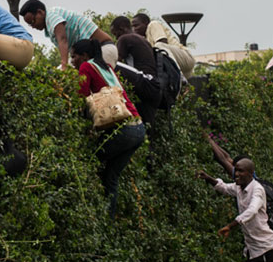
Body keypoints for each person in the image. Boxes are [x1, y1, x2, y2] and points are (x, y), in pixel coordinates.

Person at [71, 38, 146, 215]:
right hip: (138, 128)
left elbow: (80, 97)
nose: (72, 61)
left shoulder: (86, 67)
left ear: (84, 55)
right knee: (111, 177)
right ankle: (109, 219)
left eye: (74, 56)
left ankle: (92, 215)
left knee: (88, 162)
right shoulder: (106, 68)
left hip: (124, 131)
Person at [19, 0, 115, 69]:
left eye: (32, 21)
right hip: (91, 55)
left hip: (104, 50)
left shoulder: (51, 16)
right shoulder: (50, 23)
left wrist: (64, 66)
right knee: (58, 73)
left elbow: (63, 39)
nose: (33, 26)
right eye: (29, 25)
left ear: (40, 12)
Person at [109, 16, 162, 127]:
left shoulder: (125, 38)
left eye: (116, 34)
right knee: (146, 123)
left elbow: (115, 60)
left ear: (122, 28)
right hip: (154, 86)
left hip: (144, 81)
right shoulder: (143, 40)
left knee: (110, 64)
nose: (116, 37)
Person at [132, 13, 195, 79]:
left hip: (186, 57)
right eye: (132, 27)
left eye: (136, 26)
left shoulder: (153, 24)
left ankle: (178, 75)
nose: (134, 29)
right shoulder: (146, 39)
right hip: (182, 68)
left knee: (159, 46)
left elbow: (162, 41)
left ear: (145, 23)